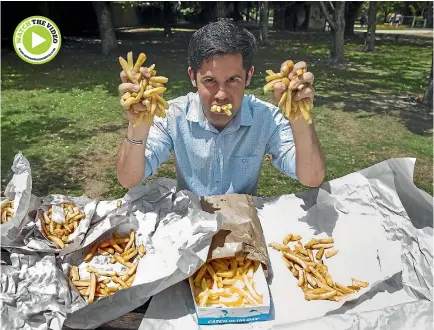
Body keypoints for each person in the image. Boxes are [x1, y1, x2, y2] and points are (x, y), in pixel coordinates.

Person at [116, 21, 325, 196]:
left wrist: (300, 118)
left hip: (242, 226)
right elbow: (128, 179)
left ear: (249, 76)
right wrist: (138, 126)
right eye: (210, 80)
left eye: (233, 80)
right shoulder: (173, 115)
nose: (221, 94)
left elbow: (312, 177)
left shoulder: (266, 118)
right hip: (190, 223)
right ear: (192, 76)